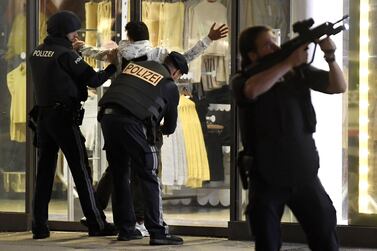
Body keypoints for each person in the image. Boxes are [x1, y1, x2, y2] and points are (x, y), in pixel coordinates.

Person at [77, 20, 228, 236]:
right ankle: (149, 225)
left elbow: (99, 53)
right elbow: (187, 57)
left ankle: (119, 223)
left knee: (117, 171)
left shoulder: (119, 54)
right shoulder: (160, 57)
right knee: (147, 171)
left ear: (128, 36)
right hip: (142, 120)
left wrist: (81, 47)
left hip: (110, 112)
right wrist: (209, 39)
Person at [231, 26, 346, 250]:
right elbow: (251, 91)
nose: (275, 46)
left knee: (325, 234)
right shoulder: (242, 78)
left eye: (275, 40)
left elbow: (338, 86)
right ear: (252, 55)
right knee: (268, 242)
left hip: (304, 171)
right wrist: (287, 63)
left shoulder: (298, 72)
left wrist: (330, 56)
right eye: (267, 44)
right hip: (266, 175)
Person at [28, 10, 118, 239]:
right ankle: (96, 224)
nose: (76, 34)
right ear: (65, 32)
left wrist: (72, 52)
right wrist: (112, 66)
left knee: (45, 174)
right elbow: (94, 79)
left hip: (44, 119)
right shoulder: (67, 55)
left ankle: (39, 226)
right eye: (73, 31)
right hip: (64, 119)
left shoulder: (37, 52)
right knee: (81, 171)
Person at [97, 51, 188, 245]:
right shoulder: (169, 84)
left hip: (107, 117)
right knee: (149, 172)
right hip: (132, 123)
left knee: (119, 173)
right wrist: (156, 131)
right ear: (177, 72)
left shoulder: (137, 67)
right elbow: (170, 126)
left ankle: (126, 229)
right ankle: (157, 231)